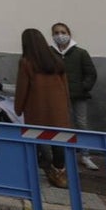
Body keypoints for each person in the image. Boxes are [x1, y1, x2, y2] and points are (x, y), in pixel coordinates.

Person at [15, 28, 72, 189]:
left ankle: (44, 167)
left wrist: (18, 108)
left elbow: (22, 88)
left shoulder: (27, 62)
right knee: (58, 139)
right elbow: (65, 85)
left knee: (36, 137)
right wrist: (66, 104)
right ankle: (59, 171)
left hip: (36, 108)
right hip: (58, 109)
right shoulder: (56, 61)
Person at [51, 22, 99, 170]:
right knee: (61, 125)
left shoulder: (80, 53)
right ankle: (63, 155)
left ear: (69, 34)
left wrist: (82, 87)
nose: (60, 35)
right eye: (57, 32)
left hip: (78, 95)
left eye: (63, 32)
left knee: (81, 124)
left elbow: (91, 73)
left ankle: (85, 155)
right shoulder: (50, 53)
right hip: (58, 96)